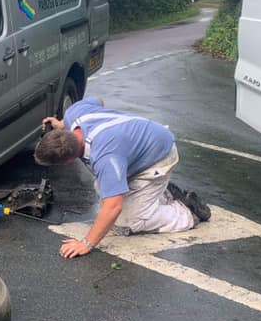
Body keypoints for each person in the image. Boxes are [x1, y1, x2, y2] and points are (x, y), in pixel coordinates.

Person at [35, 97, 210, 258]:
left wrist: (86, 243)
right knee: (103, 189)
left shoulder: (105, 156)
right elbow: (98, 100)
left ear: (68, 161)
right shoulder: (74, 114)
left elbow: (113, 207)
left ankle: (188, 211)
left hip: (158, 157)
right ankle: (163, 193)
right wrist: (61, 124)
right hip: (139, 146)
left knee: (128, 222)